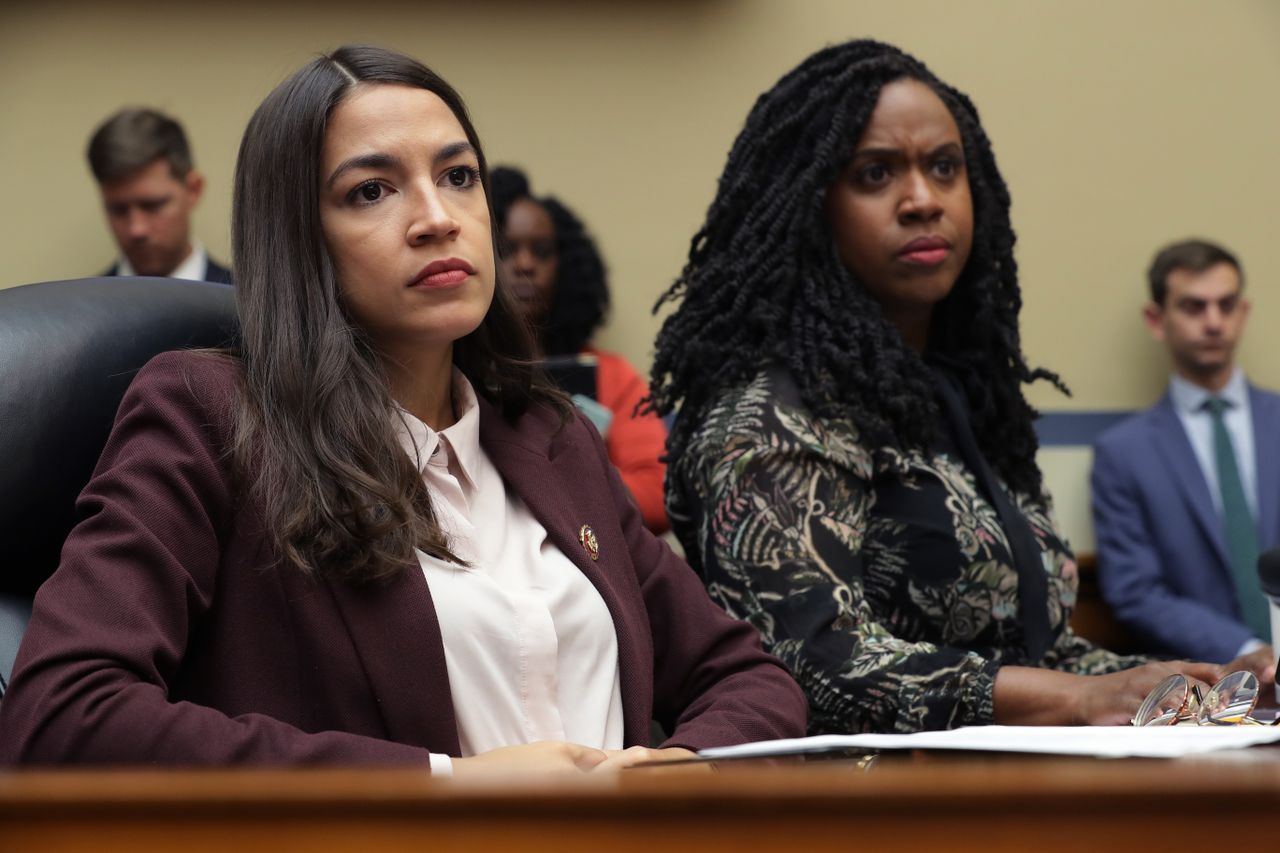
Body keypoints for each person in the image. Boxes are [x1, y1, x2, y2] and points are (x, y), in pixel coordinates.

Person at [0, 45, 805, 770]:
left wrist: (681, 772)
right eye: (373, 190)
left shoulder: (548, 432)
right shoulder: (211, 416)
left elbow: (746, 677)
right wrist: (446, 789)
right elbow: (63, 712)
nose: (437, 218)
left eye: (459, 176)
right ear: (299, 238)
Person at [648, 39, 1246, 735]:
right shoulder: (765, 414)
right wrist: (1074, 699)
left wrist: (1184, 685)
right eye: (875, 174)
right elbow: (811, 663)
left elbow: (1030, 653)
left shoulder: (956, 405)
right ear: (813, 205)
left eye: (943, 167)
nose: (922, 200)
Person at [1092, 240, 1279, 667]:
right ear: (1156, 320)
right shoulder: (1123, 453)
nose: (1214, 322)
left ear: (1243, 313)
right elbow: (1136, 591)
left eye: (1226, 305)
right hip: (1205, 684)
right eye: (1194, 307)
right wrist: (1249, 653)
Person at [490, 166, 669, 534]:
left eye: (541, 252)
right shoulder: (443, 371)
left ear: (566, 266)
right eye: (506, 249)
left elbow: (658, 494)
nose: (525, 264)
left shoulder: (610, 375)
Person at [87, 107, 233, 283]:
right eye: (118, 210)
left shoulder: (248, 303)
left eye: (153, 206)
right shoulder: (76, 307)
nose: (137, 229)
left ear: (194, 190)